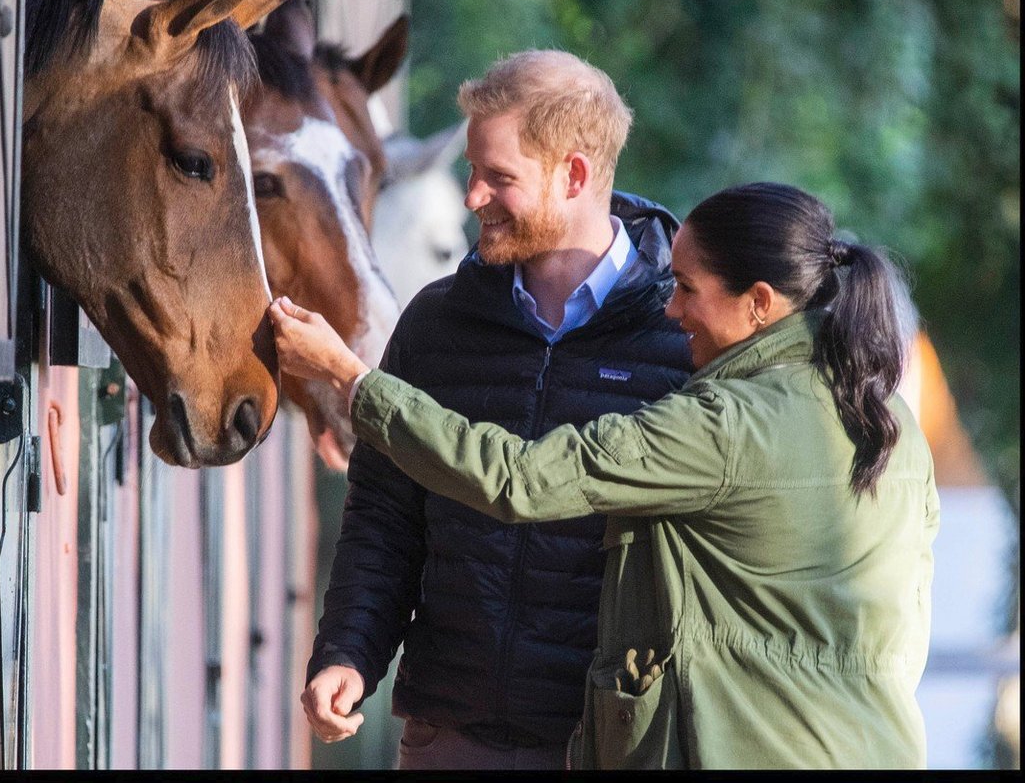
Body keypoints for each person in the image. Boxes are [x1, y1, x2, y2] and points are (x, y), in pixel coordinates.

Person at [269, 181, 939, 770]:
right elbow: (906, 627)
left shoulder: (726, 424)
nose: (671, 311)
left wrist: (351, 378)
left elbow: (520, 478)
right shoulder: (894, 425)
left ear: (759, 302)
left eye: (687, 289)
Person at [296, 50, 692, 770]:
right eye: (473, 170)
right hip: (446, 735)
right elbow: (385, 517)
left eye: (498, 177)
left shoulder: (680, 344)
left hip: (603, 745)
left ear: (574, 174)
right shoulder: (436, 323)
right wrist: (349, 654)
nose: (472, 195)